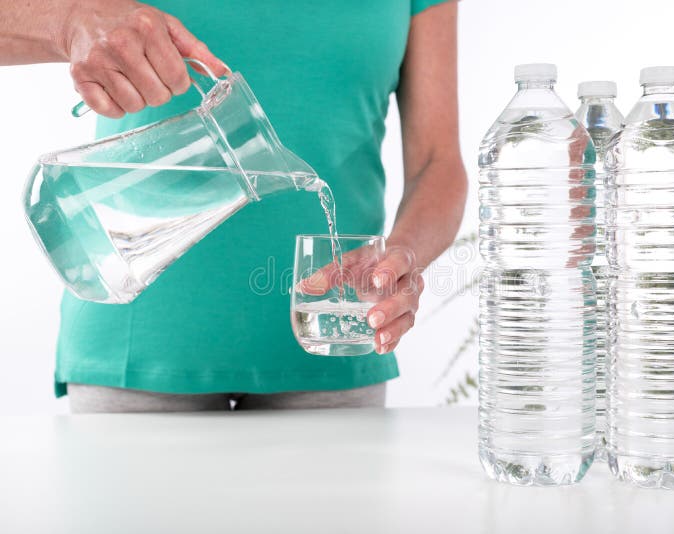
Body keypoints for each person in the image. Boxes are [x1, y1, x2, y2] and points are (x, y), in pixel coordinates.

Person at [0, 0, 467, 412]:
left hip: (334, 346)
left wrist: (401, 258)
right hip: (139, 346)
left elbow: (438, 162)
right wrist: (70, 21)